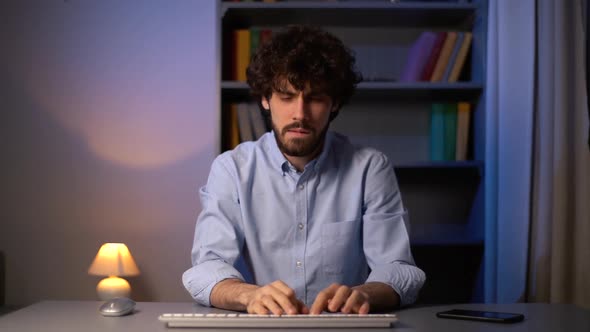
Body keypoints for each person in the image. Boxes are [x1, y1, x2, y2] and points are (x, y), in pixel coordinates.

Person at [183, 25, 425, 315]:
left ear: (334, 103)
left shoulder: (370, 168)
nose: (300, 113)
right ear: (265, 99)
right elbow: (206, 267)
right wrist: (250, 295)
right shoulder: (231, 169)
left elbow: (398, 269)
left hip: (342, 327)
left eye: (315, 98)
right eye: (286, 97)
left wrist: (364, 294)